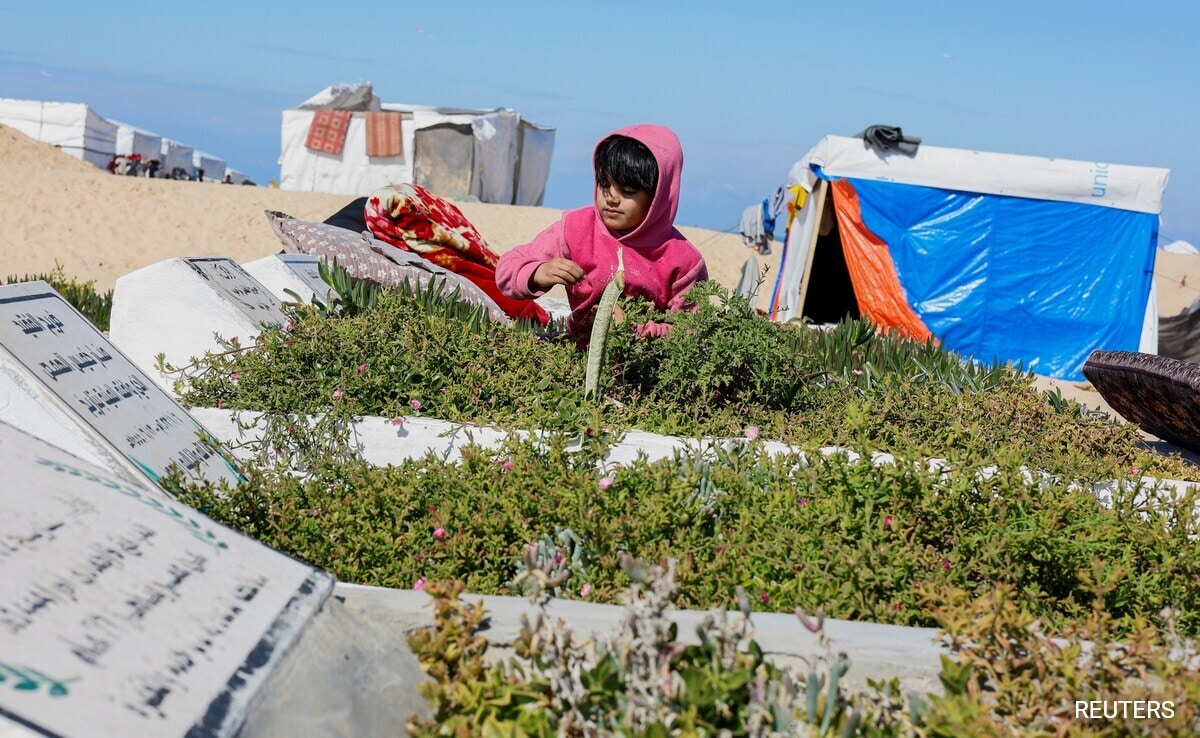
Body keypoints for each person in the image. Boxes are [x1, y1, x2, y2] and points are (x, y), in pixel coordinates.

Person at [496, 124, 707, 341]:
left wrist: (636, 331)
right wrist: (538, 272)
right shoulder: (576, 228)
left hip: (644, 367)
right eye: (605, 185)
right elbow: (506, 270)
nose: (612, 198)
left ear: (660, 195)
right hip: (579, 351)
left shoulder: (684, 261)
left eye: (628, 191)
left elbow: (691, 331)